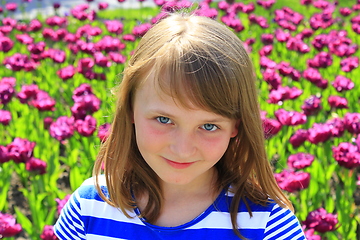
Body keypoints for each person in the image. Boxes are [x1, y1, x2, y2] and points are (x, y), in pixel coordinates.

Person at [54, 13, 306, 240]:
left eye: (208, 126)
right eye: (164, 120)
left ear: (236, 126)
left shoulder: (265, 224)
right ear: (130, 109)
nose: (183, 149)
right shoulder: (89, 208)